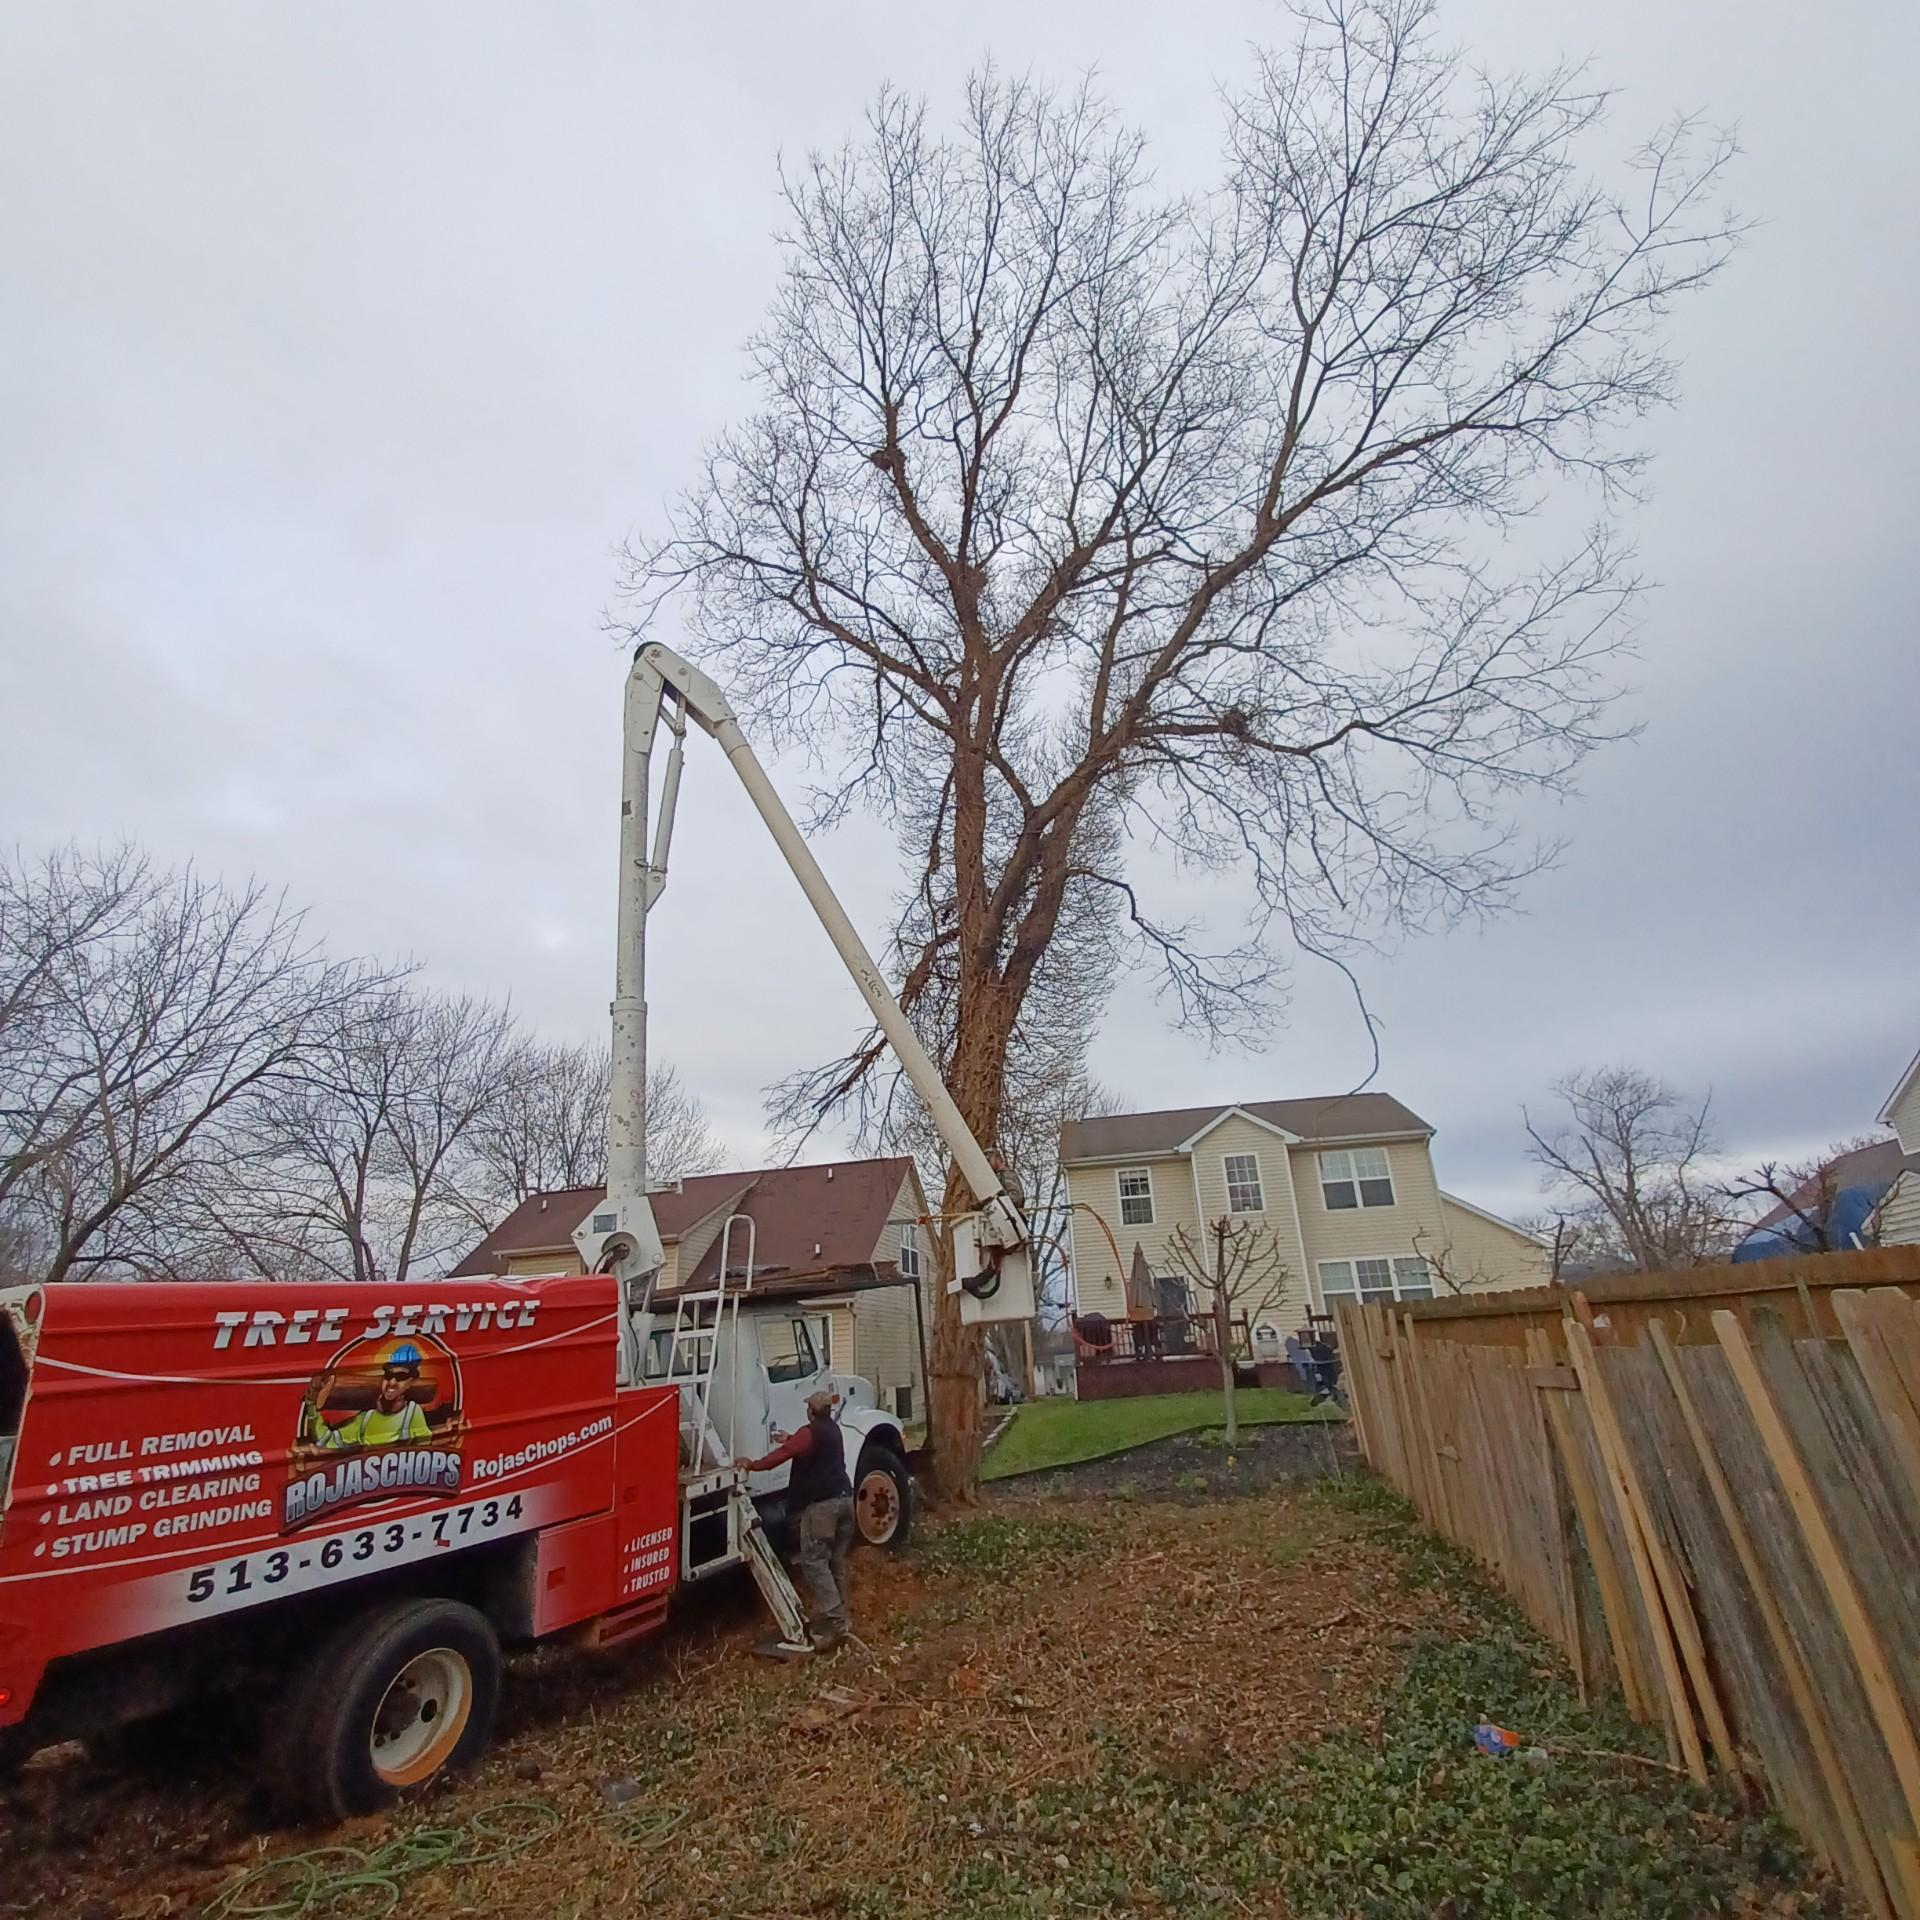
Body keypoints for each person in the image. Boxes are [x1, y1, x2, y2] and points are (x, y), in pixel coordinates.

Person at [735, 1388, 856, 1649]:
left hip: (822, 1508)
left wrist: (752, 1464)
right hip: (846, 1501)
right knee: (835, 1560)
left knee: (814, 1562)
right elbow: (809, 1447)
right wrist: (789, 1438)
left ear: (811, 1411)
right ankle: (842, 1615)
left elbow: (781, 1456)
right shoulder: (833, 1430)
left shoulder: (809, 1433)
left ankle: (835, 1621)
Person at [309, 1345, 433, 1449]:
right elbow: (326, 1440)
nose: (392, 1383)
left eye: (401, 1377)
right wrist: (312, 1405)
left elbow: (425, 1449)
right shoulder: (367, 1418)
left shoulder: (412, 1414)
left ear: (411, 1382)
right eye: (388, 1375)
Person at [1306, 1330, 1343, 1408]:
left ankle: (1328, 1391)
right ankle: (1329, 1391)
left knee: (1327, 1381)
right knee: (1328, 1381)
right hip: (1327, 1368)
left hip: (1324, 1368)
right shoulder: (1321, 1347)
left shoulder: (1315, 1348)